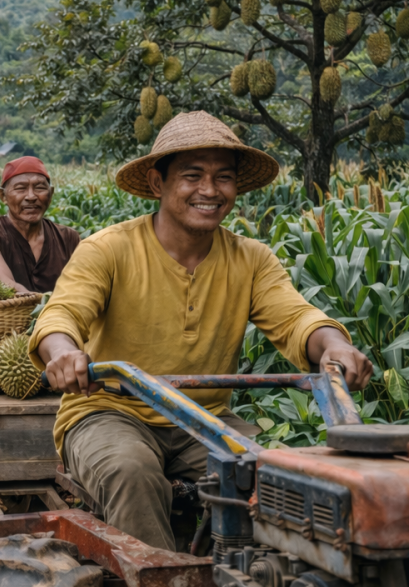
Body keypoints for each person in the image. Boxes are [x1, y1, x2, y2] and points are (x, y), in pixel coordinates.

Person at [29, 111, 373, 551]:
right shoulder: (109, 249)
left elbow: (295, 318)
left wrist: (334, 346)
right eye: (192, 176)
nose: (209, 190)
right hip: (110, 412)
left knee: (274, 481)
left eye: (223, 177)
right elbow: (63, 314)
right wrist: (64, 352)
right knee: (131, 471)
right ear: (158, 183)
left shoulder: (251, 259)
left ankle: (256, 580)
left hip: (205, 420)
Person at [0, 156, 81, 294]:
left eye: (39, 188)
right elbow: (6, 285)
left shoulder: (69, 238)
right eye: (20, 189)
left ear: (50, 194)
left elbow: (84, 284)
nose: (31, 196)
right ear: (2, 195)